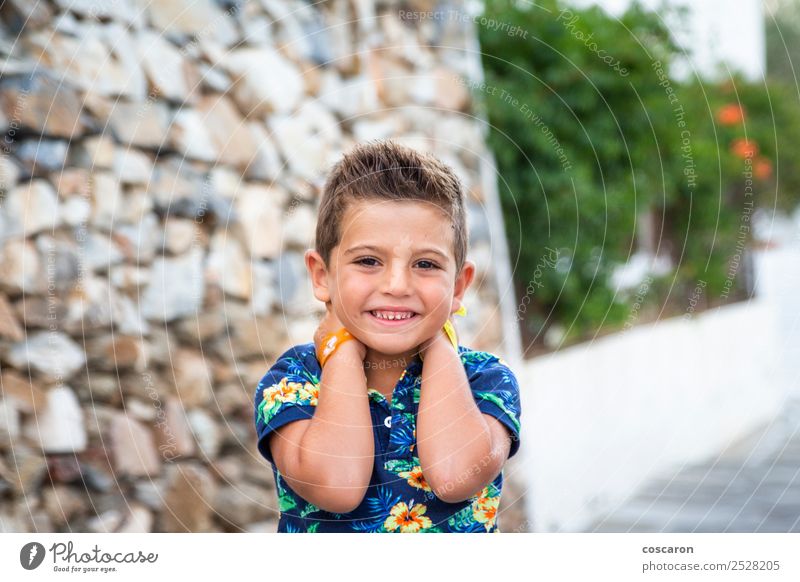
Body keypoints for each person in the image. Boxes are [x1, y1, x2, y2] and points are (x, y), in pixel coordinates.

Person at [253, 140, 522, 532]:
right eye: (368, 261)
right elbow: (337, 485)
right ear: (322, 276)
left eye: (426, 264)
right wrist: (340, 353)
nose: (397, 284)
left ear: (459, 286)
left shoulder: (487, 380)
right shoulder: (292, 381)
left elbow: (454, 475)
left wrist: (439, 342)